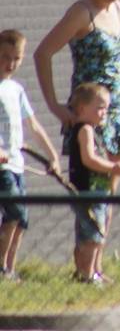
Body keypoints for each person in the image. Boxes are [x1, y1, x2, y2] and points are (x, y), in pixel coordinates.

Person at [35, 0, 120, 197]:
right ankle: (91, 238)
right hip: (90, 111)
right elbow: (43, 54)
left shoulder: (119, 10)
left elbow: (119, 61)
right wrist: (54, 105)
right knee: (93, 189)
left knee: (112, 188)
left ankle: (103, 237)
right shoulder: (82, 12)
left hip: (116, 110)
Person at [0, 29, 61, 282]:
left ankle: (11, 269)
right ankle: (1, 269)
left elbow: (33, 125)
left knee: (22, 219)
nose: (10, 63)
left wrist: (52, 156)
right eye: (5, 57)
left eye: (17, 58)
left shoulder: (16, 89)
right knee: (14, 212)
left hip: (17, 164)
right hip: (2, 166)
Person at [66, 82, 120, 285]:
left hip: (96, 192)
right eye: (100, 107)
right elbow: (89, 159)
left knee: (89, 233)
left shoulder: (93, 131)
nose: (104, 113)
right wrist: (113, 168)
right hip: (88, 192)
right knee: (93, 235)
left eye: (106, 108)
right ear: (83, 108)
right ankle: (87, 274)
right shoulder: (84, 130)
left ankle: (90, 272)